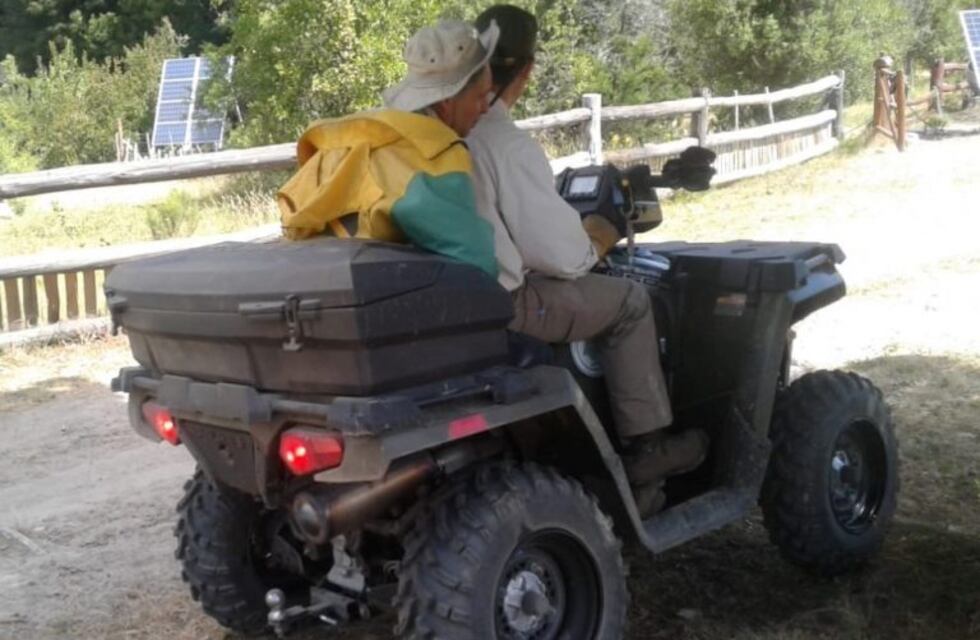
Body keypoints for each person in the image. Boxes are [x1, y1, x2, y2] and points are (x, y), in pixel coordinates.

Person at [467, 5, 707, 515]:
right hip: (504, 303)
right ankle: (648, 449)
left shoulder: (436, 131)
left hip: (456, 296)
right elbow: (563, 256)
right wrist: (601, 233)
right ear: (527, 70)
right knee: (631, 301)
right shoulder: (503, 142)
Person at [278, 19, 500, 278]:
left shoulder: (358, 139)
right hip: (363, 293)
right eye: (480, 96)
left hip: (310, 283)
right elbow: (478, 264)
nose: (486, 108)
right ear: (447, 102)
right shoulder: (433, 158)